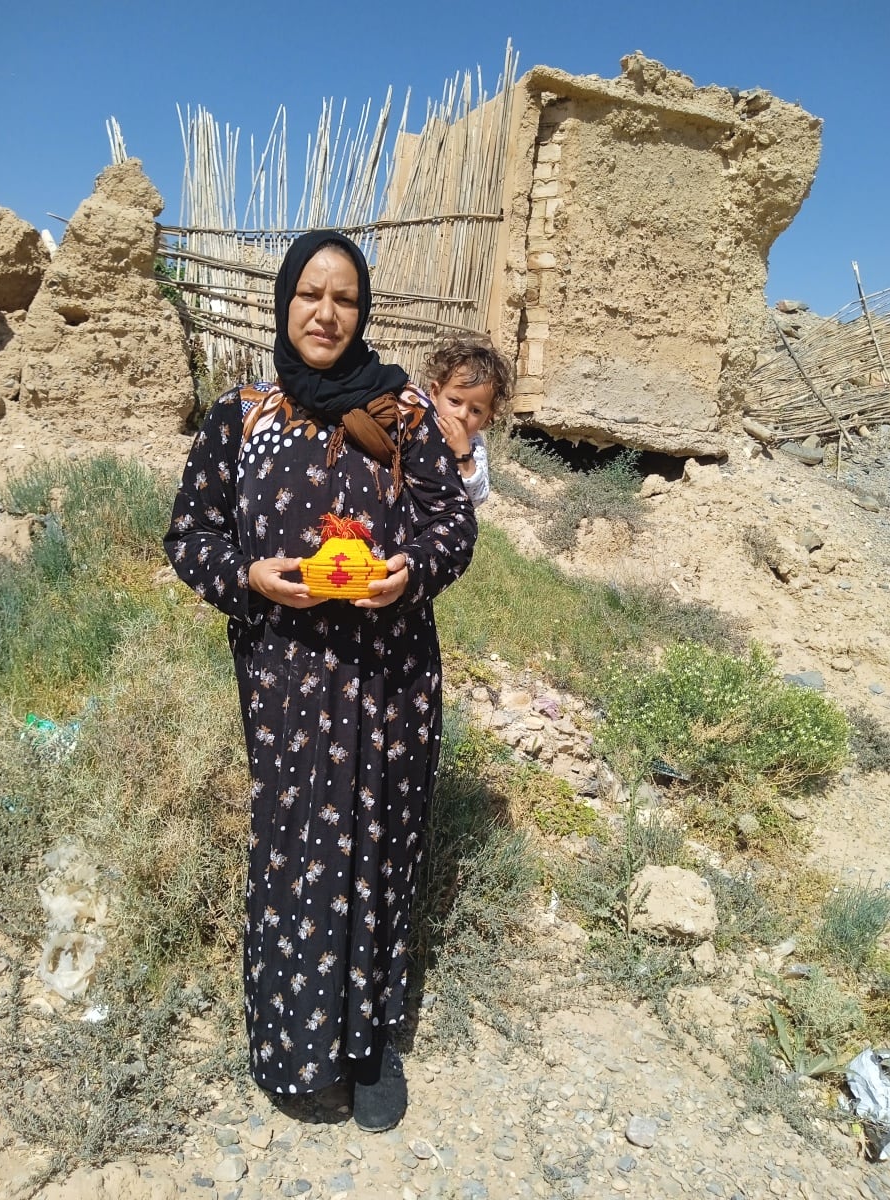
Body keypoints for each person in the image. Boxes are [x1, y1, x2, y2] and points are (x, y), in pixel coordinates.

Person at [164, 231, 477, 1133]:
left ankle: (371, 1049)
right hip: (287, 684)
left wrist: (408, 572)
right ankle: (295, 1050)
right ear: (284, 302)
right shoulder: (241, 415)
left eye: (343, 298)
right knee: (296, 851)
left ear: (363, 309)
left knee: (380, 852)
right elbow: (191, 536)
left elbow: (451, 525)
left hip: (389, 677)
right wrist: (249, 578)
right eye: (309, 294)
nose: (326, 314)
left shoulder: (405, 408)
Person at [424, 336, 515, 507]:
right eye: (455, 401)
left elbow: (478, 497)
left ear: (487, 418)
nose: (461, 414)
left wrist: (463, 456)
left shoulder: (474, 447)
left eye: (476, 411)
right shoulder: (419, 424)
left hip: (441, 519)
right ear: (435, 393)